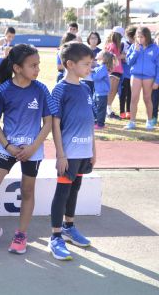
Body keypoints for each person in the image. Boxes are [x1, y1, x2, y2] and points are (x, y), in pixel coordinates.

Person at [0, 44, 55, 254]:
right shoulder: (3, 90)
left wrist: (33, 147)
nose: (37, 69)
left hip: (32, 150)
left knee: (27, 190)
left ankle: (21, 234)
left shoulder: (41, 89)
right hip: (7, 148)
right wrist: (8, 146)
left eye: (38, 65)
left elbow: (48, 122)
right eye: (33, 65)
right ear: (18, 68)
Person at [48, 42, 97, 261]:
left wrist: (93, 149)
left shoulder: (86, 88)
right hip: (68, 153)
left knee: (75, 189)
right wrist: (61, 154)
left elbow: (90, 121)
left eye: (91, 63)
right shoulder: (60, 89)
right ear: (70, 64)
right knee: (63, 192)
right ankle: (55, 236)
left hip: (84, 151)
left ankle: (69, 226)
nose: (90, 68)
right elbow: (55, 123)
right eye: (86, 64)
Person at [125, 27, 159, 130]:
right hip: (135, 75)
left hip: (149, 77)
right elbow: (129, 62)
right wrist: (135, 51)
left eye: (141, 37)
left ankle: (149, 121)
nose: (139, 39)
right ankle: (132, 122)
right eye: (138, 37)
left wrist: (157, 81)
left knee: (147, 99)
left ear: (147, 37)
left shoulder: (155, 48)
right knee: (134, 98)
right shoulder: (133, 47)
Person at [104, 30, 124, 119]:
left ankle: (108, 109)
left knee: (113, 91)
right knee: (111, 91)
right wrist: (122, 56)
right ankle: (106, 110)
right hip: (113, 70)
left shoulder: (115, 45)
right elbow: (111, 57)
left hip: (116, 70)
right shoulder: (112, 45)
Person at [93, 51, 115, 129]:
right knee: (96, 107)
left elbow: (96, 78)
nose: (97, 53)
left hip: (101, 93)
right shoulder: (101, 67)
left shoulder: (103, 68)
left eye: (100, 53)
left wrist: (89, 73)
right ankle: (97, 122)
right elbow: (96, 71)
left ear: (103, 58)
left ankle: (100, 124)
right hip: (98, 92)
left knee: (101, 108)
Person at [119, 26, 137, 119]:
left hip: (133, 74)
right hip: (124, 73)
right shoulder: (123, 44)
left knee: (131, 93)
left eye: (133, 37)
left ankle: (128, 111)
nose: (132, 39)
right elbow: (118, 56)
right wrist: (126, 56)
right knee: (123, 93)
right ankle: (122, 111)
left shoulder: (138, 45)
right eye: (130, 36)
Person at [84, 31, 102, 96]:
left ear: (98, 39)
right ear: (88, 39)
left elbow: (102, 65)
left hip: (97, 78)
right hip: (86, 77)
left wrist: (96, 64)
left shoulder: (101, 52)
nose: (93, 40)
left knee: (95, 97)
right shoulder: (84, 50)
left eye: (95, 38)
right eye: (92, 38)